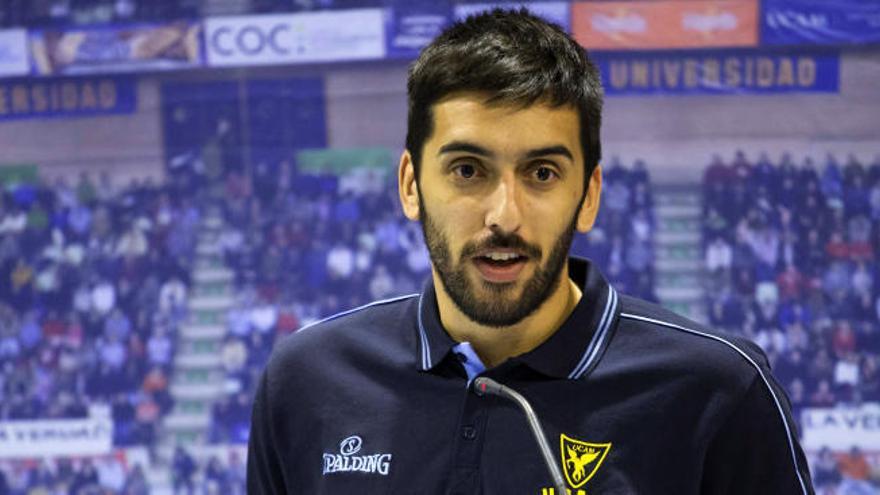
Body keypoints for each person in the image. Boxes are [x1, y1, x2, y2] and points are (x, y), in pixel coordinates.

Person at [247, 8, 814, 494]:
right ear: (411, 185)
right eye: (467, 170)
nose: (504, 217)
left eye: (541, 173)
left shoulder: (719, 391)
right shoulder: (306, 380)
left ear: (588, 195)